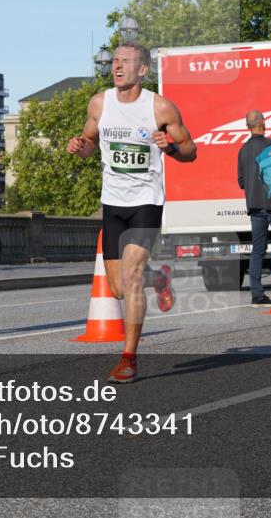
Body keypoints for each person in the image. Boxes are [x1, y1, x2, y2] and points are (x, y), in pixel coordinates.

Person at [67, 42, 197, 383]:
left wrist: (170, 148)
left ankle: (129, 358)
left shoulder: (160, 107)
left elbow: (190, 151)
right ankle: (160, 278)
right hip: (113, 202)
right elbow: (89, 142)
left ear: (142, 70)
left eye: (125, 61)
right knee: (119, 287)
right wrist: (80, 147)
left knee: (131, 276)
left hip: (146, 202)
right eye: (114, 61)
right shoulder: (99, 102)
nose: (117, 66)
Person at [237, 110, 271, 306]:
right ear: (263, 123)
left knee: (257, 250)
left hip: (254, 205)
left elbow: (241, 181)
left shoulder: (243, 150)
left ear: (247, 126)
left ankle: (257, 294)